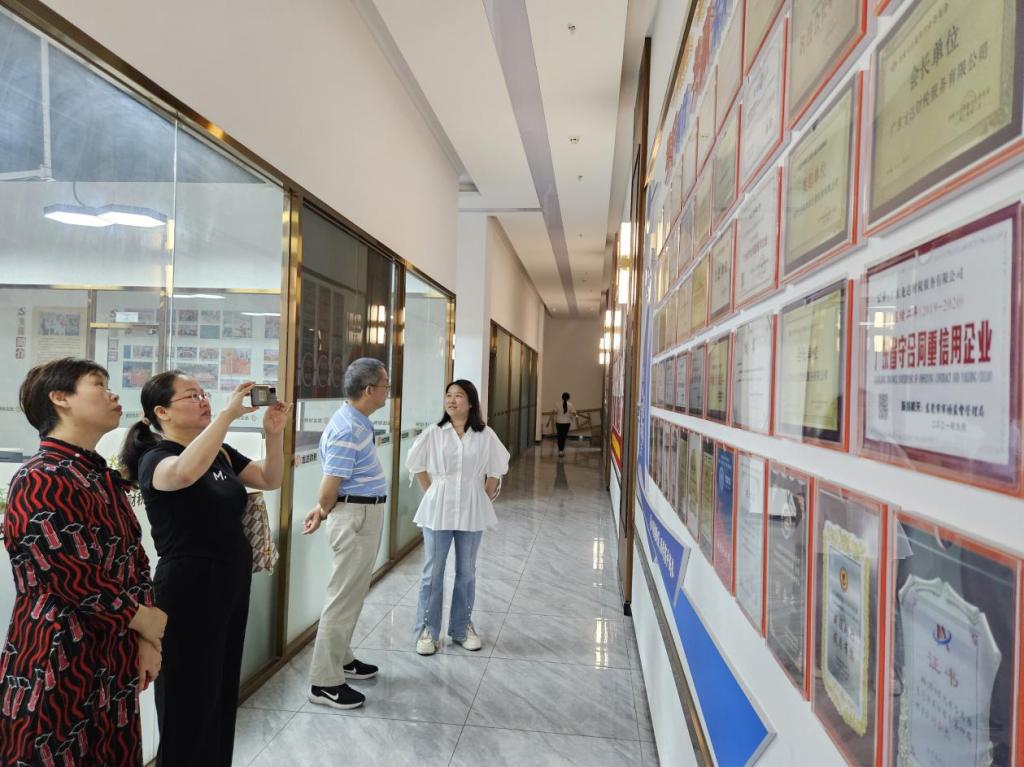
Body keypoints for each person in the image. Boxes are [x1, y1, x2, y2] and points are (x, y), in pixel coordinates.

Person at [118, 372, 291, 766]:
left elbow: (270, 478)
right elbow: (182, 474)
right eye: (190, 396)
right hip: (189, 588)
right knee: (188, 699)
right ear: (162, 412)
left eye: (203, 393)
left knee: (221, 690)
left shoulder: (220, 452)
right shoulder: (156, 458)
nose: (203, 400)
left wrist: (274, 435)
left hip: (231, 582)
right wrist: (227, 416)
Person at [1, 357, 166, 766]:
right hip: (58, 654)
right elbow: (68, 575)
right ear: (60, 398)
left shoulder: (97, 475)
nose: (113, 395)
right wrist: (143, 619)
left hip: (112, 650)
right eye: (98, 385)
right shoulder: (39, 477)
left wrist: (146, 639)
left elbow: (134, 559)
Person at [301, 358, 391, 710]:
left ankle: (342, 659)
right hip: (355, 517)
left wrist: (323, 508)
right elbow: (329, 487)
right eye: (385, 385)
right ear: (369, 390)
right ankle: (324, 682)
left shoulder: (356, 422)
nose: (387, 391)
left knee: (351, 594)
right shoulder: (348, 428)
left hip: (361, 512)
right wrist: (323, 508)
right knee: (343, 598)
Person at [406, 379, 510, 655]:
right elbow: (416, 464)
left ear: (471, 402)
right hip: (438, 509)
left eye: (459, 396)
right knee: (432, 572)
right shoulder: (434, 432)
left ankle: (462, 627)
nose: (452, 400)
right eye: (448, 395)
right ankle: (427, 630)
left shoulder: (484, 434)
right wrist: (433, 492)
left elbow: (497, 468)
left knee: (466, 572)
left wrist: (484, 495)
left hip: (472, 509)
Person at [554, 391, 577, 457]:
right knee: (564, 436)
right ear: (568, 398)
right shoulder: (570, 405)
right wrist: (574, 416)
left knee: (559, 436)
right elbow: (574, 413)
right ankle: (562, 450)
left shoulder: (557, 404)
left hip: (558, 422)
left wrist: (548, 422)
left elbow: (554, 412)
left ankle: (560, 450)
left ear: (562, 397)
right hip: (566, 422)